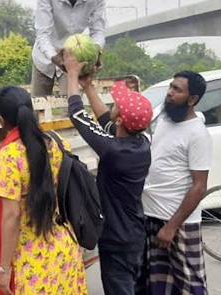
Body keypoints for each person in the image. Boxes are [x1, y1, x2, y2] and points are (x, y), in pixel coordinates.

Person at [63, 51, 152, 295]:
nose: (112, 107)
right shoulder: (141, 142)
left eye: (117, 107)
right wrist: (88, 86)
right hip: (133, 233)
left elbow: (78, 115)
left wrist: (71, 73)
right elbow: (105, 121)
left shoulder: (115, 151)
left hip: (117, 239)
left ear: (122, 119)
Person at [0, 86, 87, 295]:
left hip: (34, 261)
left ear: (1, 120)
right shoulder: (59, 144)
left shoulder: (9, 156)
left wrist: (4, 268)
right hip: (65, 248)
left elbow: (12, 215)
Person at [136, 71, 211, 295]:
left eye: (177, 90)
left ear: (192, 99)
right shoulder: (165, 119)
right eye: (171, 86)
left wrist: (171, 227)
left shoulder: (198, 134)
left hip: (178, 223)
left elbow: (199, 186)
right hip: (151, 215)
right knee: (158, 283)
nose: (170, 93)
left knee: (190, 285)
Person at [31, 0, 108, 96]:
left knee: (72, 109)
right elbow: (42, 33)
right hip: (44, 57)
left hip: (74, 59)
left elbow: (98, 30)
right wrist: (54, 57)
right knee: (36, 109)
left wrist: (96, 51)